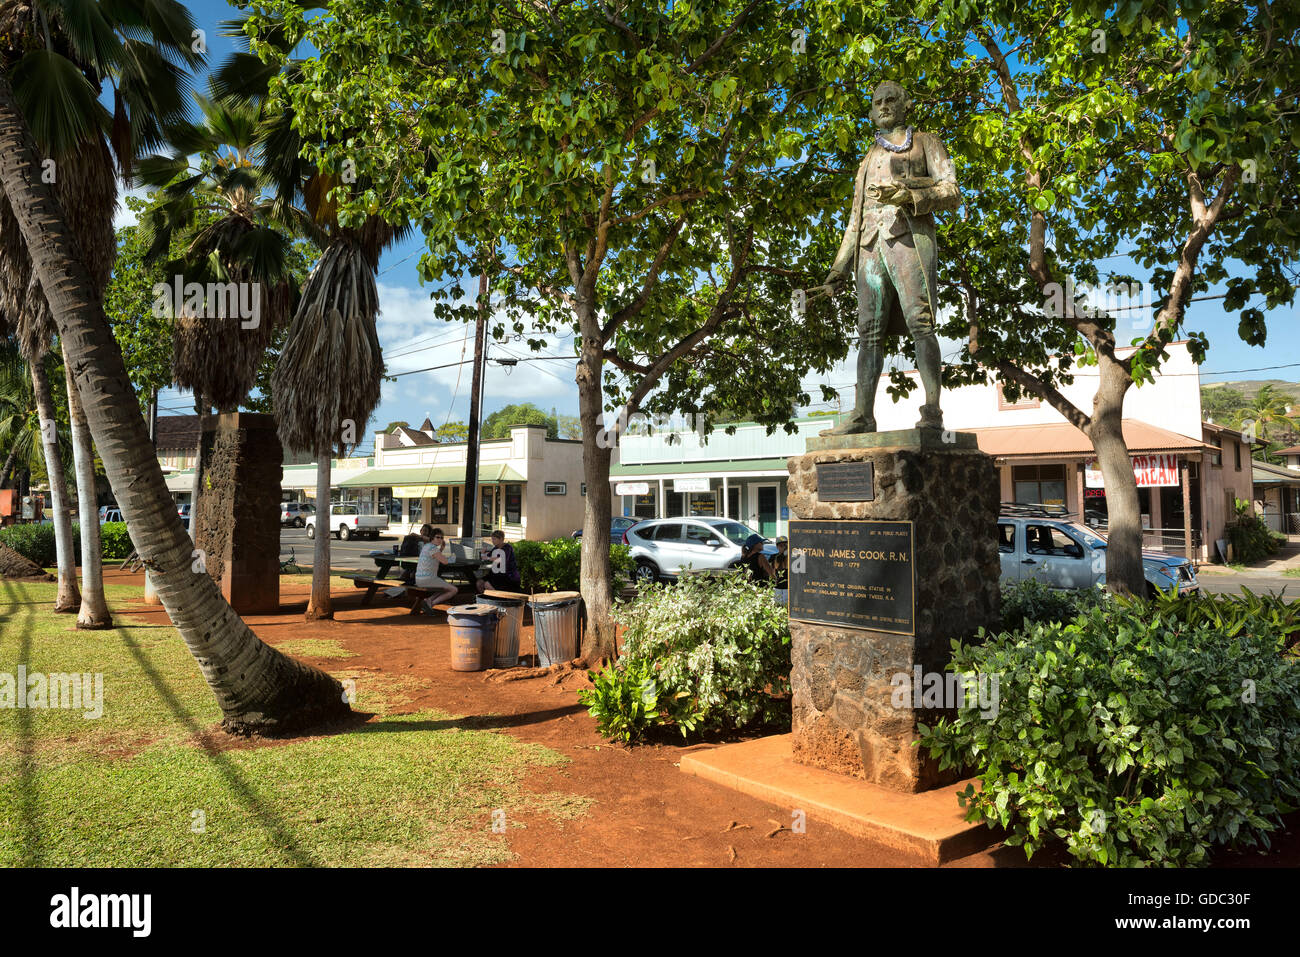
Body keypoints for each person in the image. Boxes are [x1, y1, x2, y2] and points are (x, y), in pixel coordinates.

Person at [823, 80, 961, 434]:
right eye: (877, 102)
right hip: (869, 248)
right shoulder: (866, 159)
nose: (883, 106)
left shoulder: (926, 142)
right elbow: (855, 220)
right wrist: (838, 269)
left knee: (921, 323)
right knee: (868, 332)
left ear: (906, 105)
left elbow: (951, 191)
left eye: (890, 100)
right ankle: (862, 416)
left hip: (908, 241)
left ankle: (932, 411)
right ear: (871, 112)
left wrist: (907, 196)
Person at [415, 525, 459, 611]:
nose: (440, 539)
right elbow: (445, 561)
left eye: (442, 538)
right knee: (453, 589)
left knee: (445, 587)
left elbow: (436, 557)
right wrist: (452, 557)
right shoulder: (433, 548)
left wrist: (441, 549)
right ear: (432, 537)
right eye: (437, 537)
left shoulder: (427, 546)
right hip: (428, 579)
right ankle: (431, 604)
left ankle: (429, 600)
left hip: (420, 579)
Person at [476, 529, 522, 594]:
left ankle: (499, 600)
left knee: (487, 584)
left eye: (494, 539)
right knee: (479, 583)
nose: (492, 541)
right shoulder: (495, 548)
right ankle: (486, 598)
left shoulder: (508, 548)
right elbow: (486, 557)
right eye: (492, 539)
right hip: (495, 574)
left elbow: (501, 559)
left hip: (507, 576)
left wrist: (488, 558)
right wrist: (483, 553)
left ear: (501, 539)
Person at [771, 536, 790, 601]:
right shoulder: (774, 557)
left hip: (788, 587)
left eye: (785, 545)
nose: (784, 547)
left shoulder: (791, 557)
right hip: (777, 587)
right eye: (781, 545)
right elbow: (772, 571)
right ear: (777, 546)